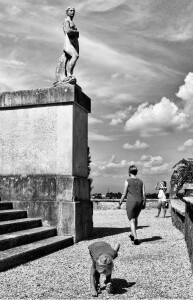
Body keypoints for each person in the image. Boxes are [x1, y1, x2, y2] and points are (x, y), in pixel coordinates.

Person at [117, 165, 146, 245]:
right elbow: (144, 194)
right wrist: (144, 203)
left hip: (131, 202)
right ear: (136, 172)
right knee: (135, 218)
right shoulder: (141, 181)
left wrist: (120, 203)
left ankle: (135, 238)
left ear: (129, 172)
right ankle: (132, 234)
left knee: (131, 220)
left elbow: (124, 194)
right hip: (139, 201)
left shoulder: (127, 181)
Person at [54, 6, 79, 85]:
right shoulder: (66, 21)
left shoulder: (72, 22)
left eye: (73, 10)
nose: (72, 12)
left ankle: (68, 75)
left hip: (73, 43)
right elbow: (67, 31)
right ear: (67, 12)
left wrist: (75, 32)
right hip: (68, 43)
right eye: (70, 10)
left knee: (70, 58)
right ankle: (69, 74)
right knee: (75, 56)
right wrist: (76, 32)